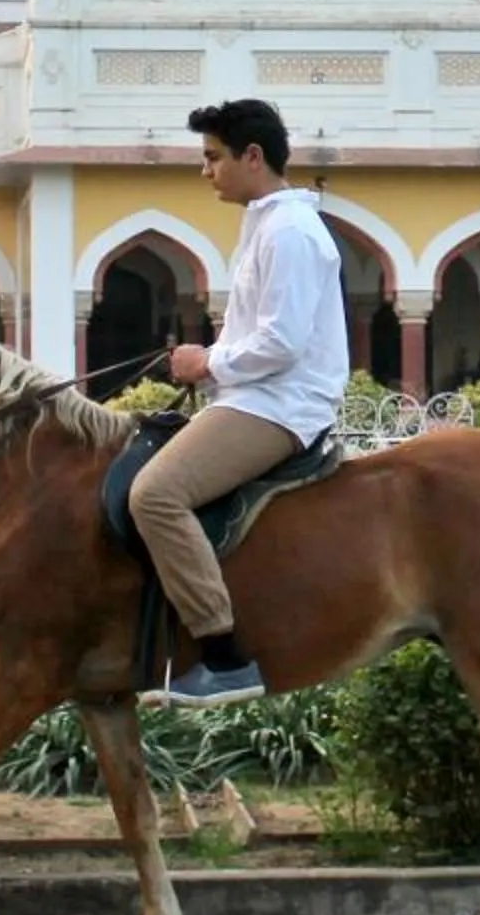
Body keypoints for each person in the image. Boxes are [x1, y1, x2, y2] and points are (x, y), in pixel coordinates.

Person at [133, 98, 347, 708]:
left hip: (280, 405)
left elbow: (282, 344)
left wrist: (210, 362)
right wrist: (210, 358)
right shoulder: (267, 224)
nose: (206, 172)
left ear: (252, 156)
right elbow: (262, 332)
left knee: (156, 494)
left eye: (213, 158)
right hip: (253, 394)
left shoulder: (291, 231)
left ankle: (224, 658)